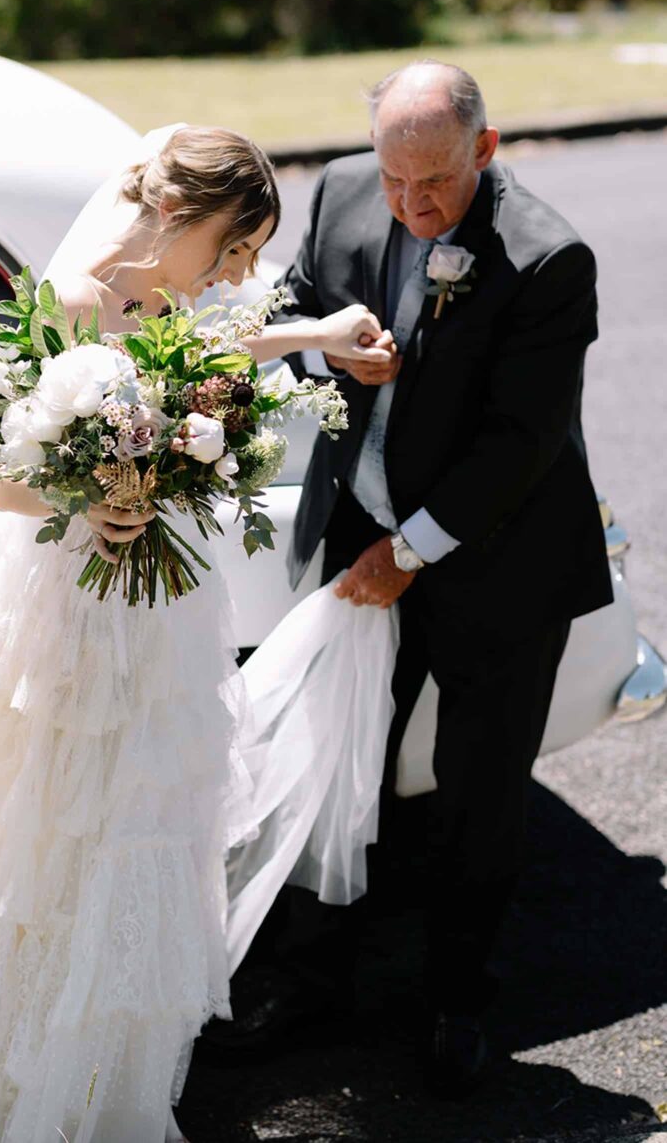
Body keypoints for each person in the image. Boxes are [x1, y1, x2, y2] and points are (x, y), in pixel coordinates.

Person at [0, 125, 385, 1143]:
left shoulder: (176, 300)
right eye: (233, 250)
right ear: (182, 217)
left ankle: (87, 1083)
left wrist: (311, 337)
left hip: (156, 621)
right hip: (60, 617)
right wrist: (98, 507)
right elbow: (4, 480)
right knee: (25, 841)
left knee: (126, 838)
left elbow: (214, 348)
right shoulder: (66, 300)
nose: (238, 276)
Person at [213, 61, 613, 1097]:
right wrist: (330, 359)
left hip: (499, 563)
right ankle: (310, 982)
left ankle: (455, 1001)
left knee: (481, 797)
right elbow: (302, 306)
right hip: (362, 532)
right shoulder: (345, 189)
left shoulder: (550, 257)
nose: (410, 205)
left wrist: (410, 552)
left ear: (485, 149)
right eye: (395, 181)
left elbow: (519, 441)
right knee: (332, 756)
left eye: (433, 183)